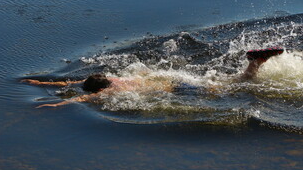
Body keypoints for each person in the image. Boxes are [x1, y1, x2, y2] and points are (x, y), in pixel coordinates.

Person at [22, 47, 284, 108]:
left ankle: (255, 63)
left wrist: (57, 104)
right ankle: (255, 61)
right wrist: (40, 83)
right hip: (169, 78)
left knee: (237, 87)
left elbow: (81, 97)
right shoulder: (113, 79)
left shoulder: (105, 92)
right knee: (227, 83)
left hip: (179, 90)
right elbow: (71, 83)